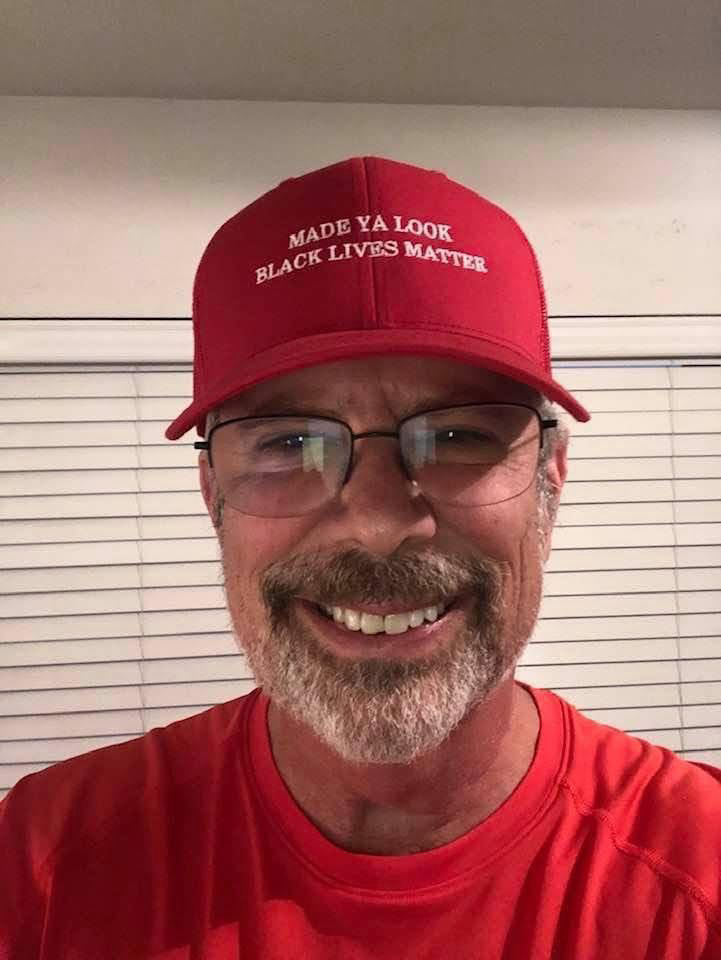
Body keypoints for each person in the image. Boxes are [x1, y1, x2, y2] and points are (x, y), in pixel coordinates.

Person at [1, 157, 719, 959]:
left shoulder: (699, 873)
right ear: (212, 492)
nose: (378, 524)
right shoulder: (44, 862)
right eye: (288, 443)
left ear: (549, 476)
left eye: (457, 435)